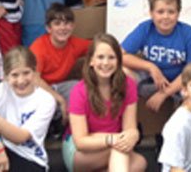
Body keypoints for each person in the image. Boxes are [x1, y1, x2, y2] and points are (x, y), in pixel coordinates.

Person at [62, 33, 147, 172]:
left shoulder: (128, 85)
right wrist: (112, 140)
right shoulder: (79, 91)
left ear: (119, 61)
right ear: (91, 61)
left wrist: (133, 134)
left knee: (139, 163)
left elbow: (130, 128)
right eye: (100, 57)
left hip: (115, 142)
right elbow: (81, 142)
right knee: (121, 152)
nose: (106, 63)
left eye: (111, 57)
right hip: (82, 151)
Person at [121, 0, 191, 112]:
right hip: (152, 80)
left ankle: (180, 111)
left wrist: (165, 93)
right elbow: (120, 55)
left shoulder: (187, 32)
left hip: (180, 82)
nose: (166, 16)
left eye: (171, 12)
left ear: (178, 13)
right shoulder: (145, 28)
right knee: (122, 72)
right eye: (160, 12)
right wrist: (151, 67)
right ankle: (128, 117)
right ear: (151, 13)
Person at [30, 4, 91, 126]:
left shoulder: (75, 43)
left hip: (57, 87)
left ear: (73, 26)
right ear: (48, 28)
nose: (63, 28)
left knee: (79, 88)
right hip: (36, 90)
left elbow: (99, 46)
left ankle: (72, 129)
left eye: (67, 23)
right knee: (48, 102)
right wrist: (60, 99)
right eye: (57, 23)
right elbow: (34, 79)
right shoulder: (39, 47)